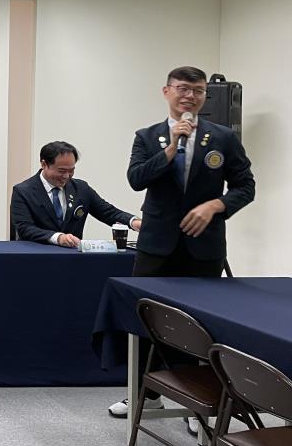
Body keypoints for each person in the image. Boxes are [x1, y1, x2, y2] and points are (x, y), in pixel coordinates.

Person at [108, 66, 255, 420]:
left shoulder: (223, 138)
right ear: (167, 91)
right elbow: (136, 179)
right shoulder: (147, 136)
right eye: (183, 88)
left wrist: (216, 205)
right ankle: (146, 394)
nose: (190, 96)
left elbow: (245, 186)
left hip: (204, 246)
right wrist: (172, 148)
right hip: (156, 245)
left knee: (202, 324)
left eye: (198, 90)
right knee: (146, 319)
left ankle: (197, 404)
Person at [11, 141, 141, 247]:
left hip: (73, 258)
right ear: (44, 164)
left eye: (71, 170)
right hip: (36, 257)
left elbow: (108, 212)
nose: (66, 176)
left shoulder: (81, 188)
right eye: (61, 171)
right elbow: (25, 228)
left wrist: (133, 222)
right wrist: (58, 238)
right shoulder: (23, 191)